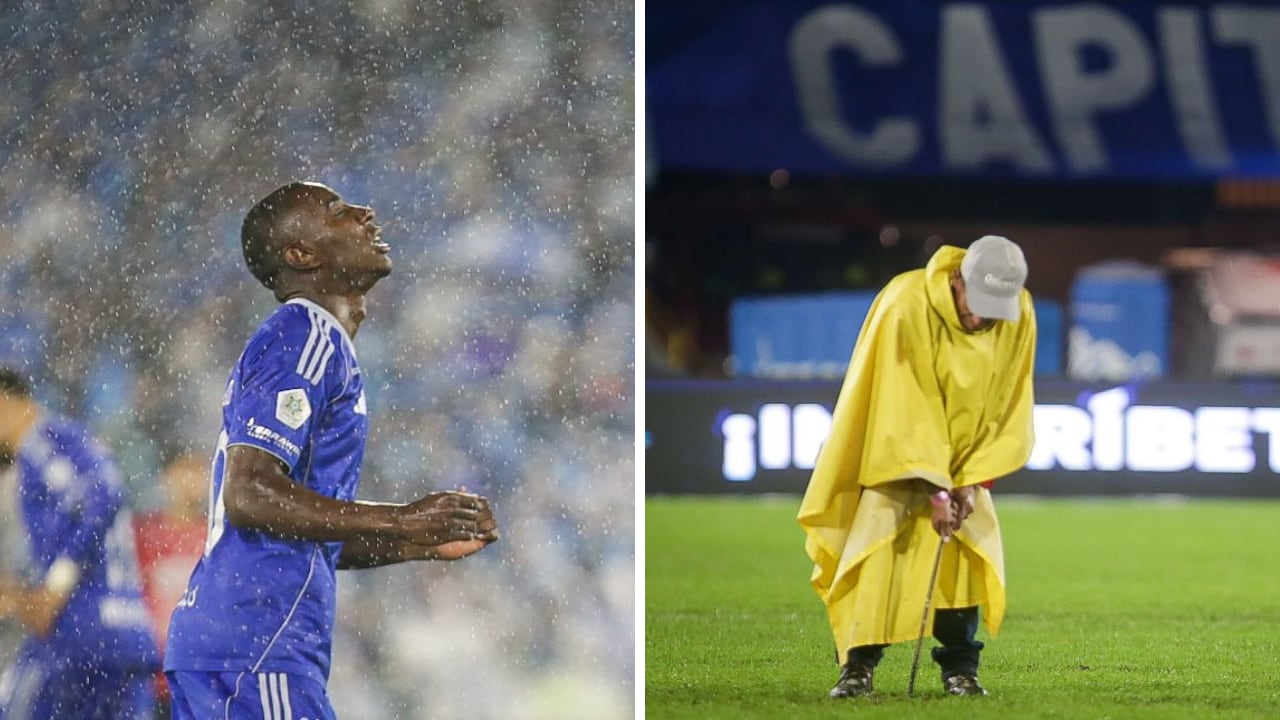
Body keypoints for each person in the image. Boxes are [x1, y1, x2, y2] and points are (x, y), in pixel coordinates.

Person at [163, 181, 500, 719]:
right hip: (257, 644)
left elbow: (299, 532)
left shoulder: (315, 342)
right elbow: (249, 493)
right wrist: (400, 521)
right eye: (339, 211)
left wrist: (416, 541)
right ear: (302, 255)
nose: (365, 212)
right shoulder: (304, 332)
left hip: (240, 645)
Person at [797, 235, 1036, 698]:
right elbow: (905, 402)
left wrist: (971, 479)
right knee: (879, 556)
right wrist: (938, 491)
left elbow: (1008, 400)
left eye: (994, 308)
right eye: (977, 303)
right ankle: (857, 668)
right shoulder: (905, 302)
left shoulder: (1018, 312)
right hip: (894, 457)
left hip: (966, 462)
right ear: (958, 278)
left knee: (963, 563)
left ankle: (961, 670)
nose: (981, 317)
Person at [0, 367, 159, 718]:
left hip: (79, 631)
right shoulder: (77, 441)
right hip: (128, 631)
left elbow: (101, 497)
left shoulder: (39, 441)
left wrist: (56, 585)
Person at [133, 452, 209, 719]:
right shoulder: (142, 535)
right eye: (184, 471)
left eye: (198, 472)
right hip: (150, 676)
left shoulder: (215, 538)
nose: (191, 481)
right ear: (168, 477)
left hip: (200, 679)